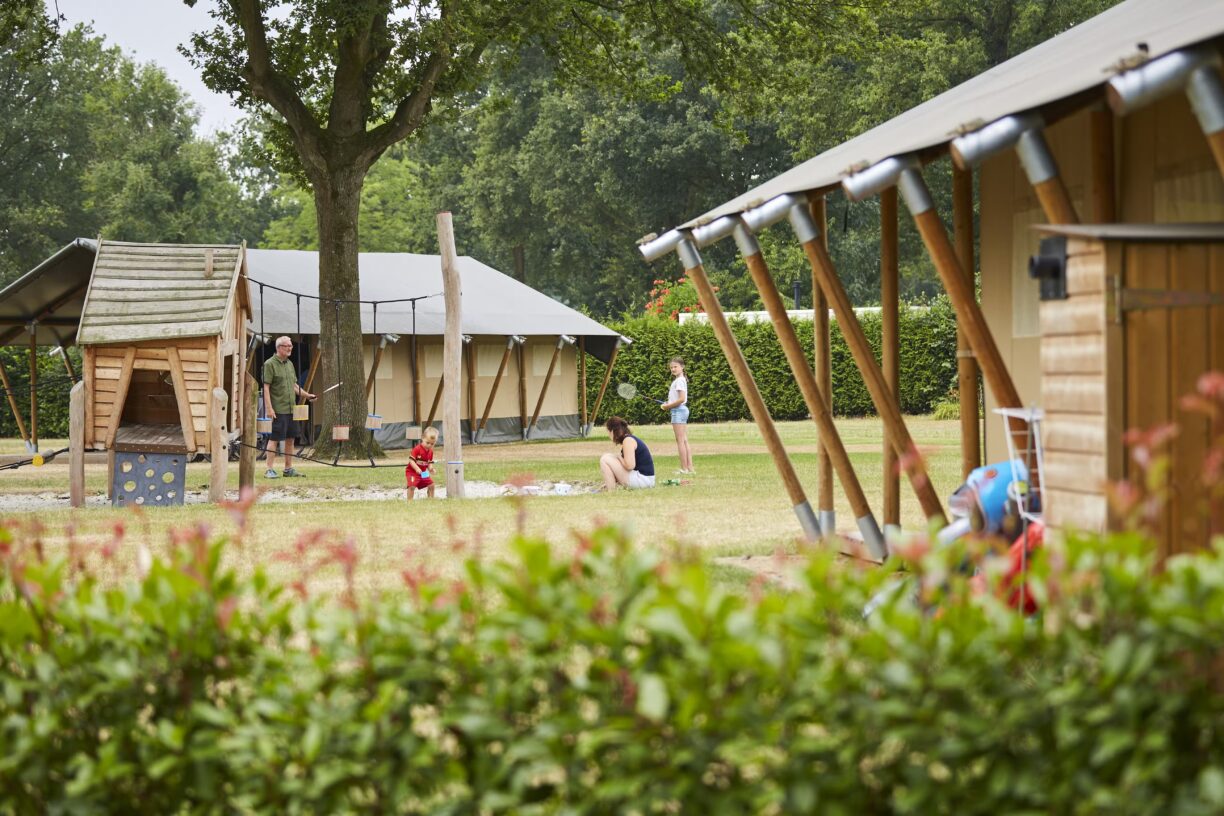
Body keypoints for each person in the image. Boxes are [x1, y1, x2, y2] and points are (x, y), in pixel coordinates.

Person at [261, 336, 315, 478]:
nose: (290, 348)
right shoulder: (269, 364)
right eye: (287, 346)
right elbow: (266, 387)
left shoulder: (289, 364)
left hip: (292, 408)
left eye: (291, 346)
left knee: (291, 438)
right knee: (274, 439)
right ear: (279, 348)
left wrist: (307, 395)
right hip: (278, 409)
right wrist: (269, 408)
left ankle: (288, 468)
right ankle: (269, 469)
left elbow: (294, 386)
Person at [599, 416, 655, 490]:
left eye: (608, 432)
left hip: (643, 480)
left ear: (612, 431)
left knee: (605, 459)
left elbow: (630, 466)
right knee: (609, 457)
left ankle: (611, 490)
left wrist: (619, 457)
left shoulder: (628, 441)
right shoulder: (629, 439)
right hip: (645, 479)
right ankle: (609, 486)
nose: (608, 435)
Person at [660, 356, 694, 474]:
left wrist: (667, 407)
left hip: (678, 411)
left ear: (682, 367)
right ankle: (690, 468)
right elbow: (677, 399)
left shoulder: (679, 380)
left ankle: (684, 469)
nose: (673, 369)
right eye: (671, 367)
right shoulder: (681, 379)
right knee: (684, 440)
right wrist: (668, 403)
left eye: (675, 367)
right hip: (681, 410)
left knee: (680, 441)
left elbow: (681, 399)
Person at [406, 426, 439, 500]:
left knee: (431, 485)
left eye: (432, 444)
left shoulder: (430, 452)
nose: (429, 445)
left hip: (423, 473)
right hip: (412, 472)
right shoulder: (417, 449)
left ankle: (431, 499)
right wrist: (417, 468)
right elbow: (411, 461)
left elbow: (429, 462)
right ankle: (409, 501)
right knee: (412, 486)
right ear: (423, 438)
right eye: (427, 442)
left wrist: (431, 468)